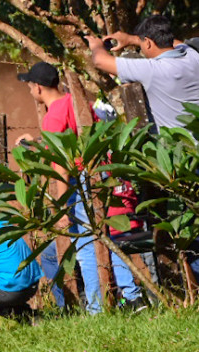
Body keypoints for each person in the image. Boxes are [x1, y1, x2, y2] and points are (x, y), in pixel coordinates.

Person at [15, 62, 145, 313]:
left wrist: (62, 208)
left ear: (38, 87)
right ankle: (132, 296)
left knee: (85, 245)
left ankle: (97, 309)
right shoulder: (76, 103)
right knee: (105, 234)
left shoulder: (52, 117)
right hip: (98, 173)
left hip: (79, 180)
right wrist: (37, 142)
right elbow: (75, 135)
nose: (30, 91)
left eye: (30, 86)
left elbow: (61, 166)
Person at [87, 14, 199, 132]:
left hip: (175, 146)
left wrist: (96, 45)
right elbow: (176, 43)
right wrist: (133, 39)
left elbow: (99, 60)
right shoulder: (193, 56)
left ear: (148, 43)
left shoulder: (152, 70)